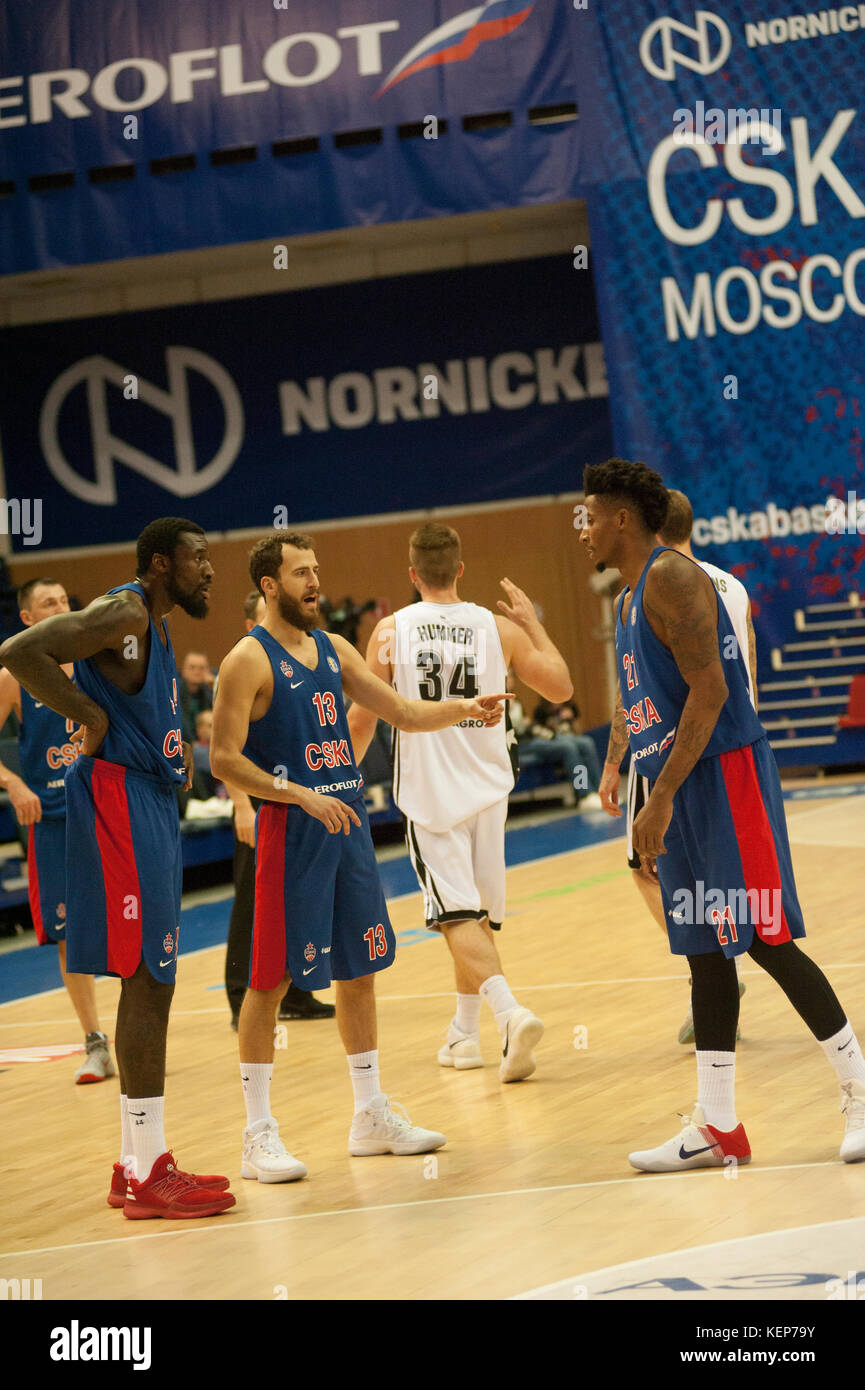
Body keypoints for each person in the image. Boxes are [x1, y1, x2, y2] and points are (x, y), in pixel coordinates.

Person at [580, 458, 865, 1170]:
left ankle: (858, 1091)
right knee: (704, 949)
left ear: (622, 517)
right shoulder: (623, 601)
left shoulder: (673, 578)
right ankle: (717, 1127)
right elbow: (646, 707)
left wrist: (664, 796)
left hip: (723, 775)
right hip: (677, 781)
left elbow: (710, 693)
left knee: (765, 939)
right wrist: (643, 785)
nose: (581, 527)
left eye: (590, 513)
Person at [210, 530, 510, 1182]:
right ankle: (257, 1132)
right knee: (269, 981)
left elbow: (399, 709)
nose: (313, 582)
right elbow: (223, 758)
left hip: (346, 831)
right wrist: (297, 796)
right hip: (291, 834)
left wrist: (464, 707)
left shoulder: (333, 648)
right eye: (299, 573)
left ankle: (369, 1114)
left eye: (315, 570)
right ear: (269, 585)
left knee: (360, 968)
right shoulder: (246, 661)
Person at [0, 518, 235, 1218]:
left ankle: (136, 1163)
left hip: (148, 798)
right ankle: (147, 1169)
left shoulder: (152, 625)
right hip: (119, 804)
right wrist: (86, 718)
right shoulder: (125, 607)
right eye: (197, 559)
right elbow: (19, 649)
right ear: (161, 564)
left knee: (153, 975)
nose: (207, 571)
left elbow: (135, 704)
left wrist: (169, 749)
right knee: (147, 976)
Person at [347, 523, 573, 1081]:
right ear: (461, 570)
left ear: (412, 574)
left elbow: (362, 717)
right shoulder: (497, 628)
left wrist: (339, 779)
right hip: (490, 789)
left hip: (432, 795)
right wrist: (533, 627)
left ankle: (509, 1013)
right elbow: (562, 688)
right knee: (472, 917)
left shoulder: (390, 631)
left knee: (455, 916)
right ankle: (464, 1035)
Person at [600, 488, 756, 1043]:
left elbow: (639, 686)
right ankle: (715, 975)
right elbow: (746, 672)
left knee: (651, 869)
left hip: (673, 751)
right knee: (736, 895)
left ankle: (715, 974)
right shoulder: (729, 584)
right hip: (733, 751)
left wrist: (616, 760)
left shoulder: (657, 585)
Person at [0, 577, 114, 1084]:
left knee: (127, 920)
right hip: (51, 820)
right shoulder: (12, 676)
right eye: (49, 603)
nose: (61, 607)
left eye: (66, 600)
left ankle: (138, 1030)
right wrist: (13, 784)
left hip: (104, 812)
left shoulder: (96, 661)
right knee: (69, 934)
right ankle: (95, 1041)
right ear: (27, 618)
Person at [223, 590, 334, 1028]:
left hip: (304, 802)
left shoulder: (304, 661)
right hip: (260, 803)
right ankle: (239, 998)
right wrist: (240, 806)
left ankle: (302, 991)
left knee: (303, 901)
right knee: (250, 906)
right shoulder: (242, 666)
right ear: (252, 625)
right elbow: (224, 754)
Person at [523, 697, 603, 809]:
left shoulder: (570, 707)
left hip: (568, 737)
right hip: (551, 741)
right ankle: (585, 794)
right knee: (569, 746)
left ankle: (600, 791)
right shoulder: (541, 711)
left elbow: (577, 732)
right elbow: (537, 732)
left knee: (587, 742)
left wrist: (571, 719)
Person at [178, 651, 214, 744]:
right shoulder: (175, 692)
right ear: (183, 671)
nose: (197, 672)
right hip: (184, 744)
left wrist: (215, 687)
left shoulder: (208, 691)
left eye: (201, 668)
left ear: (208, 671)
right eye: (192, 667)